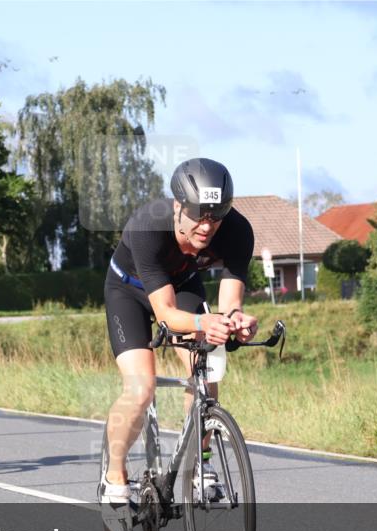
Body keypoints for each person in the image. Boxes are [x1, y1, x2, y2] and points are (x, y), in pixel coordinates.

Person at [101, 158, 259, 503]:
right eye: (200, 215)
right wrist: (205, 322)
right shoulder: (148, 227)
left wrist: (235, 321)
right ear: (178, 206)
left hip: (183, 285)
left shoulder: (237, 231)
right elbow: (167, 315)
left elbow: (230, 301)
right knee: (141, 389)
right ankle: (114, 475)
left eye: (216, 216)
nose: (208, 226)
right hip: (128, 291)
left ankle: (198, 466)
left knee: (205, 372)